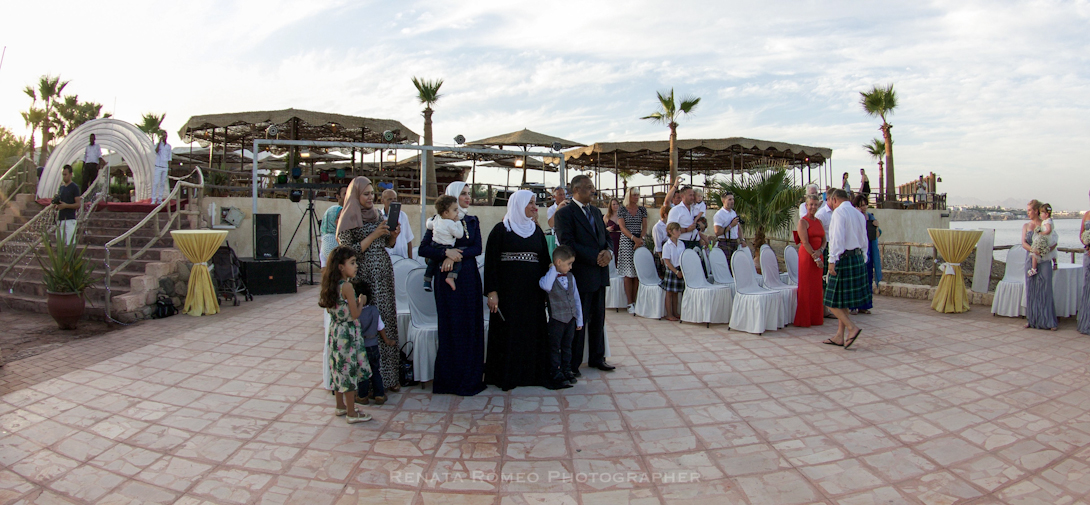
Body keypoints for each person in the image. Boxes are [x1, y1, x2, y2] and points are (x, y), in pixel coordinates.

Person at [419, 181, 486, 396]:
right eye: (462, 194)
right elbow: (423, 249)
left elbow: (477, 248)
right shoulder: (438, 220)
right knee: (451, 325)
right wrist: (445, 253)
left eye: (468, 193)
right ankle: (449, 380)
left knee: (469, 324)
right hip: (446, 281)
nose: (467, 197)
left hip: (468, 278)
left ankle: (470, 377)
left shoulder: (472, 221)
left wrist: (456, 254)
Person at [337, 176, 402, 393]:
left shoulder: (377, 214)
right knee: (368, 325)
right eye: (365, 194)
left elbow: (387, 244)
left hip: (383, 275)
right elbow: (348, 252)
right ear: (355, 195)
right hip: (363, 277)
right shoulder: (348, 217)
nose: (370, 197)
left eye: (372, 193)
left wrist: (392, 236)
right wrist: (374, 234)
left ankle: (389, 378)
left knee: (386, 321)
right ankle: (369, 383)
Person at [483, 190, 552, 391]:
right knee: (509, 332)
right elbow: (491, 262)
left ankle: (531, 374)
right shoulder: (500, 230)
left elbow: (544, 261)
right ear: (518, 205)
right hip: (508, 295)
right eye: (530, 203)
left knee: (532, 331)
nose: (535, 207)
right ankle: (507, 375)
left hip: (532, 293)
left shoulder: (536, 230)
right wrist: (492, 292)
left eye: (535, 202)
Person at [554, 174, 616, 374]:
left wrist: (608, 252)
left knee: (598, 319)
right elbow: (567, 243)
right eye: (589, 187)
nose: (593, 191)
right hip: (582, 275)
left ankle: (597, 358)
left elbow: (606, 237)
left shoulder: (596, 212)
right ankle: (573, 364)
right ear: (576, 190)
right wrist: (595, 256)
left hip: (600, 274)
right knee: (578, 321)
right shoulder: (565, 214)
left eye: (592, 187)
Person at [317, 246, 372, 424]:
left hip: (335, 331)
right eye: (352, 263)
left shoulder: (330, 285)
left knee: (338, 368)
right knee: (349, 370)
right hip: (347, 334)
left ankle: (340, 405)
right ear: (341, 267)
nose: (356, 266)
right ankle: (351, 412)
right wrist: (361, 301)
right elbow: (354, 314)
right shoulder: (347, 286)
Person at [821, 189, 868, 349]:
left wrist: (832, 260)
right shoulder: (859, 214)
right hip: (857, 258)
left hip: (843, 259)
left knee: (830, 301)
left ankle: (851, 328)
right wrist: (863, 257)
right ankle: (839, 336)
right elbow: (864, 239)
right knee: (843, 301)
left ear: (834, 199)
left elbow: (836, 239)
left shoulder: (839, 213)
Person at [539, 245, 582, 389]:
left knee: (567, 346)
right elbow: (546, 287)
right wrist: (553, 269)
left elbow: (576, 298)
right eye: (569, 264)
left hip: (570, 319)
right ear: (558, 262)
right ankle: (556, 372)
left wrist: (579, 319)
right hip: (556, 320)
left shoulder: (571, 277)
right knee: (555, 347)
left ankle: (567, 369)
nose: (570, 267)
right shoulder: (548, 278)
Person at [351, 280, 397, 406]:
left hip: (361, 347)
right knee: (376, 371)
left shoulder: (355, 313)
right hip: (373, 346)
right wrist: (387, 340)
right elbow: (380, 327)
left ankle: (362, 396)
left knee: (363, 373)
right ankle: (379, 395)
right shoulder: (374, 310)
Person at [1022, 200, 1058, 331]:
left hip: (1044, 259)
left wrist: (1045, 250)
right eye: (1027, 210)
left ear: (1036, 211)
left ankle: (1049, 321)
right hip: (1030, 259)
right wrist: (1034, 250)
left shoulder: (1045, 225)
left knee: (1045, 289)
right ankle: (1032, 319)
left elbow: (1054, 241)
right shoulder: (1026, 226)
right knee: (1031, 289)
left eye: (1029, 210)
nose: (1028, 213)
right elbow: (1023, 243)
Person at [794, 195, 825, 327]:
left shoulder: (819, 221)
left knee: (816, 287)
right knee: (806, 287)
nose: (813, 207)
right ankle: (804, 319)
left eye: (815, 204)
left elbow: (824, 239)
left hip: (818, 254)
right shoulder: (803, 222)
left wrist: (820, 251)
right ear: (806, 206)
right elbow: (805, 242)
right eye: (811, 204)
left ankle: (815, 318)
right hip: (807, 256)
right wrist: (815, 256)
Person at [616, 188, 647, 312]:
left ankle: (636, 300)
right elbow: (622, 227)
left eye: (638, 195)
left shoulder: (642, 209)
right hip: (627, 241)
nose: (636, 197)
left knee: (638, 272)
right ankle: (629, 303)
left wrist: (640, 239)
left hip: (639, 240)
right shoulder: (622, 209)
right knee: (628, 273)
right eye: (634, 195)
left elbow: (644, 226)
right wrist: (633, 238)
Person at [423, 195, 463, 292]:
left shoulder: (436, 219)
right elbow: (459, 234)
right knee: (458, 261)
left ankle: (427, 281)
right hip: (446, 246)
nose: (457, 212)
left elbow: (429, 225)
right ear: (446, 213)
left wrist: (429, 220)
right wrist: (458, 222)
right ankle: (451, 277)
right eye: (455, 210)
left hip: (435, 245)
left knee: (432, 263)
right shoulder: (450, 223)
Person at [849, 194, 879, 314]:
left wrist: (876, 226)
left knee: (867, 278)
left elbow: (877, 235)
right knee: (856, 279)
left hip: (869, 250)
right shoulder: (854, 217)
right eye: (861, 205)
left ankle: (864, 305)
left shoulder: (870, 217)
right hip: (858, 250)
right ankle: (853, 305)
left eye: (865, 205)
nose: (864, 207)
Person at [660, 222, 685, 322]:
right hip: (672, 270)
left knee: (676, 293)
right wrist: (676, 272)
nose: (679, 232)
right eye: (677, 230)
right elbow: (667, 261)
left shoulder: (681, 244)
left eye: (679, 230)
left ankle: (675, 312)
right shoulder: (667, 245)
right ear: (670, 231)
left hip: (680, 269)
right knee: (669, 293)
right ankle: (669, 314)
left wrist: (681, 271)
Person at [668, 186, 705, 251]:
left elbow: (703, 226)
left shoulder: (695, 208)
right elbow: (670, 229)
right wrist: (687, 230)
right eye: (690, 195)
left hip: (696, 242)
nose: (693, 197)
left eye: (693, 195)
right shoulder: (676, 210)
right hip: (682, 243)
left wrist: (702, 225)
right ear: (682, 196)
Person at [713, 191, 745, 265]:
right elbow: (717, 232)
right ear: (723, 201)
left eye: (733, 199)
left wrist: (742, 239)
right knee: (727, 265)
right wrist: (731, 225)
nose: (732, 201)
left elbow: (738, 227)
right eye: (729, 199)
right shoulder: (719, 214)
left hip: (734, 242)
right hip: (724, 242)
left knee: (735, 265)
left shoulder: (733, 213)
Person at [381, 189, 415, 259]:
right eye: (390, 199)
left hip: (403, 258)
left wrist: (411, 260)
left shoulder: (403, 216)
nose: (393, 201)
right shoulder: (379, 217)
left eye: (395, 199)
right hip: (387, 259)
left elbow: (408, 239)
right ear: (382, 201)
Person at [53, 165, 82, 246]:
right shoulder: (61, 188)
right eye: (63, 174)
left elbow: (78, 204)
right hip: (61, 219)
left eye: (65, 174)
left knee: (70, 243)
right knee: (60, 243)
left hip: (70, 219)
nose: (64, 177)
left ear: (70, 174)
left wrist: (66, 206)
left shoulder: (74, 187)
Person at [320, 186, 347, 268]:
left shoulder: (340, 235)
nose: (341, 220)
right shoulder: (329, 239)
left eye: (342, 217)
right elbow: (337, 261)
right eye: (338, 217)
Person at [1027, 204, 1055, 277]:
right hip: (1048, 239)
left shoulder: (1047, 222)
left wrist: (1041, 233)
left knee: (1034, 253)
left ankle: (1034, 269)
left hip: (1045, 239)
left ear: (1046, 214)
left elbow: (1049, 230)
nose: (1040, 215)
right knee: (1052, 253)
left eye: (1042, 213)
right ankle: (1055, 263)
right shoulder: (1049, 221)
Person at [1078, 190, 1089, 335]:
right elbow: (1081, 234)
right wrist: (1087, 244)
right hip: (1088, 254)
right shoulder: (1086, 214)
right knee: (1087, 285)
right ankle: (1086, 321)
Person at [152, 131, 171, 204]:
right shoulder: (158, 145)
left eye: (165, 136)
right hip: (158, 166)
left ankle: (160, 199)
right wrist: (160, 141)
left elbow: (169, 157)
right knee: (156, 183)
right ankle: (153, 199)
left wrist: (169, 168)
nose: (164, 137)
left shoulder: (168, 146)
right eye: (163, 136)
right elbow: (156, 151)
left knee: (162, 183)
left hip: (165, 166)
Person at [604, 197, 623, 263]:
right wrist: (607, 229)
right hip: (612, 240)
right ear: (610, 206)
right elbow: (602, 230)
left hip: (622, 239)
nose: (616, 206)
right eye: (614, 204)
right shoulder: (606, 216)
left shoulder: (622, 215)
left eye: (617, 204)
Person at [652, 205, 669, 274]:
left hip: (668, 251)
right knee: (661, 273)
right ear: (665, 215)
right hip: (660, 253)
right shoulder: (658, 227)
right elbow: (658, 244)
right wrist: (661, 257)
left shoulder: (668, 225)